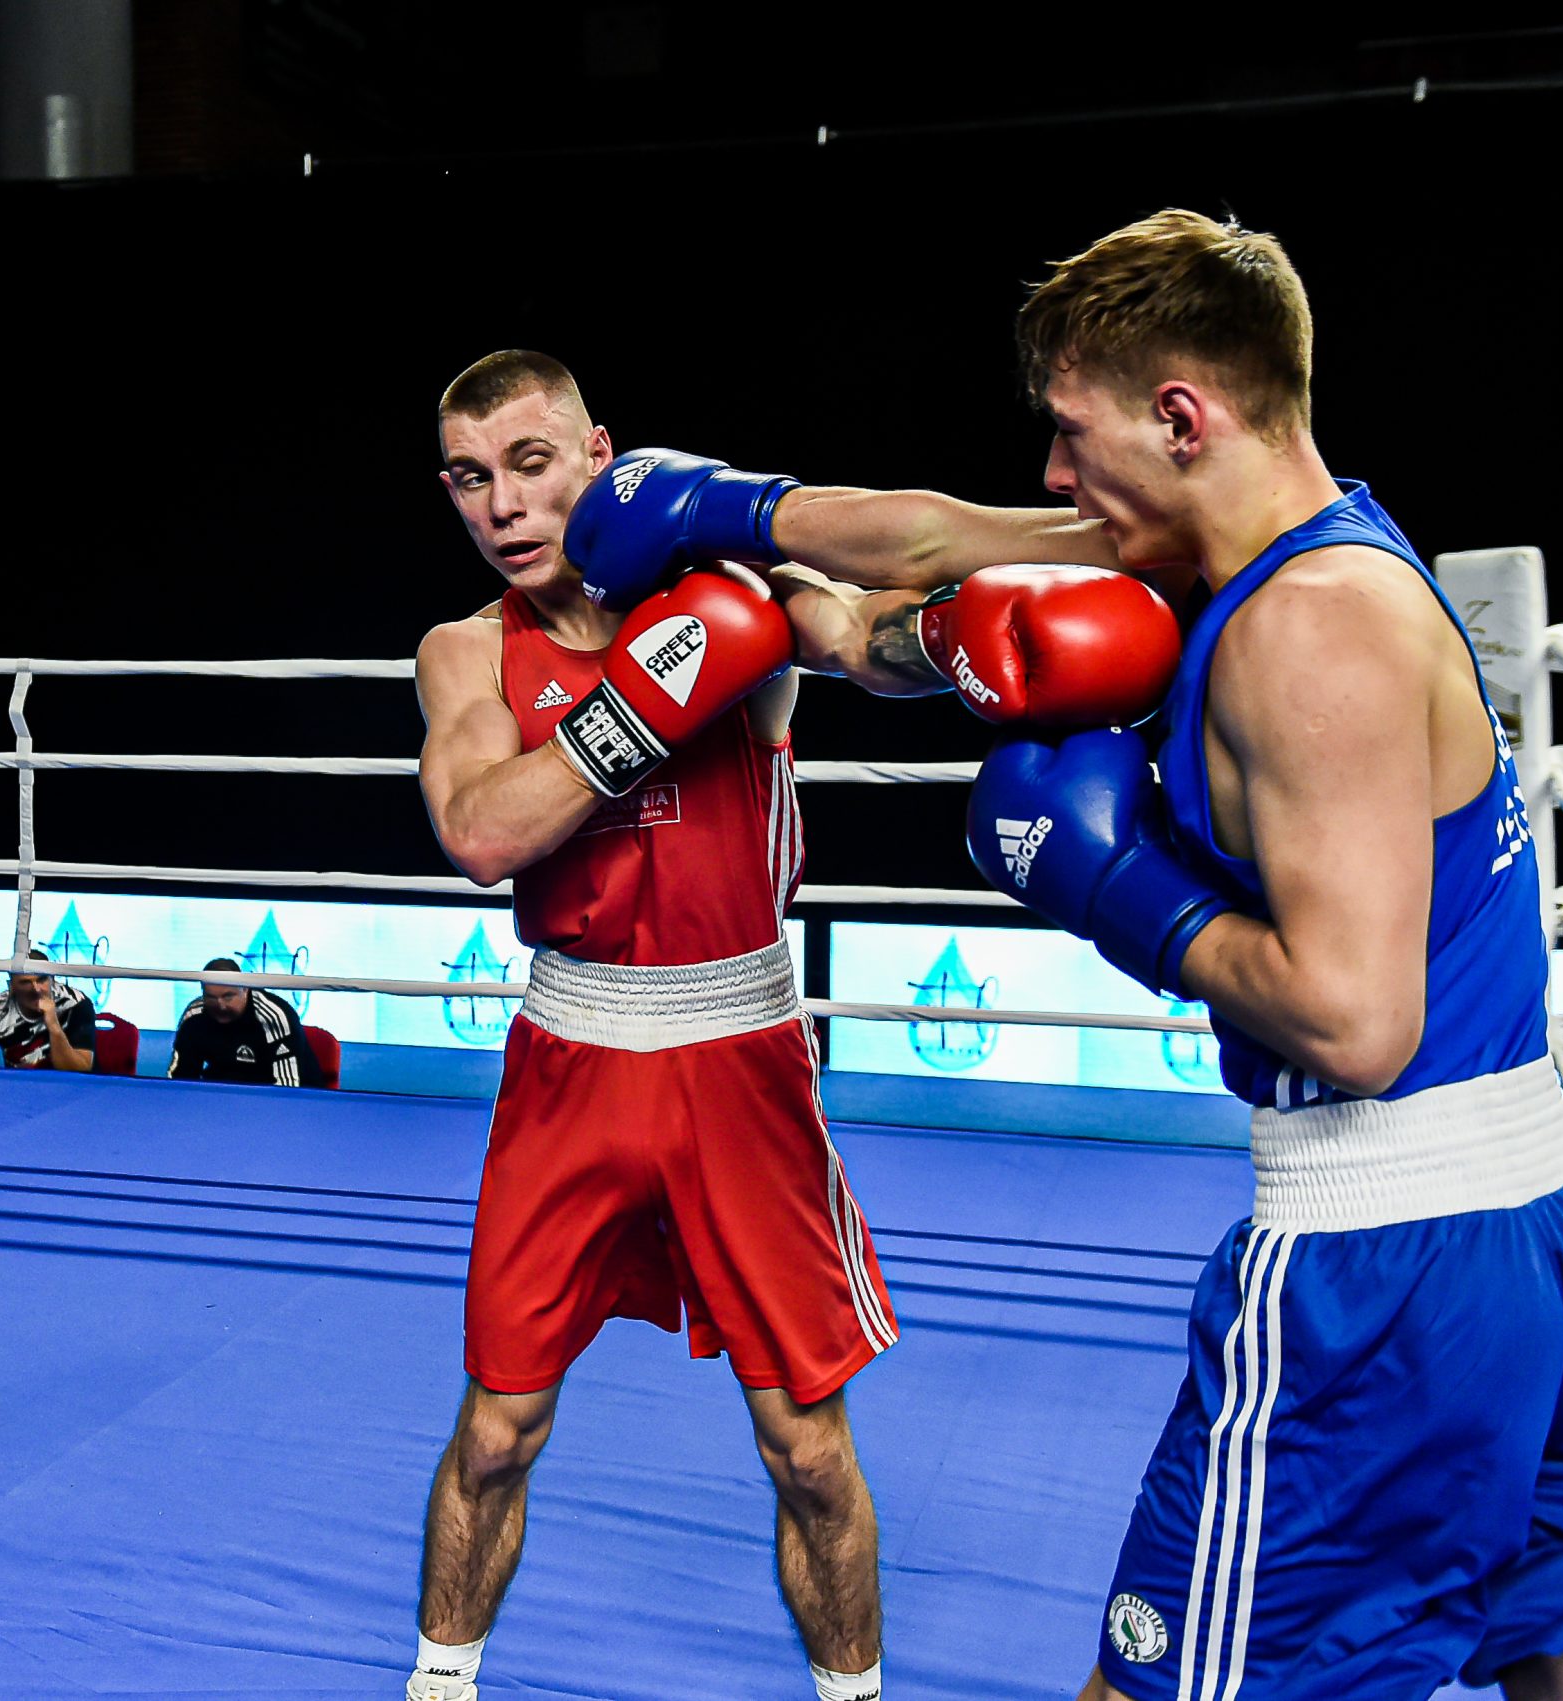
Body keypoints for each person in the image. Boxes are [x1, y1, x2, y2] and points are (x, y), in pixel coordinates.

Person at [964, 210, 1563, 1701]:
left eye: (1070, 430)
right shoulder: (1336, 560)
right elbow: (921, 544)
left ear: (1180, 417)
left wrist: (1121, 893)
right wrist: (751, 523)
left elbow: (1353, 1023)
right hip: (1551, 1217)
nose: (1052, 476)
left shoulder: (1303, 628)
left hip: (1387, 1264)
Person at [406, 348, 1156, 1701]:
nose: (502, 506)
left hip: (737, 1055)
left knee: (806, 1448)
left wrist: (959, 641)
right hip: (569, 1056)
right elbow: (478, 830)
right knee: (499, 1429)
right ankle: (437, 1684)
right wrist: (646, 703)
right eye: (469, 478)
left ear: (598, 457)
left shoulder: (732, 587)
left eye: (529, 463)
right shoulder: (463, 651)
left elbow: (868, 637)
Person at [168, 957, 320, 1086]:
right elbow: (179, 1080)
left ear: (245, 989)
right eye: (211, 997)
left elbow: (287, 1088)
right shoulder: (194, 1015)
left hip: (280, 1094)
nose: (221, 1005)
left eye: (228, 996)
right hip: (223, 1094)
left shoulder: (274, 1017)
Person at [0, 956, 96, 1071]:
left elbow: (80, 1071)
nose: (36, 989)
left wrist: (54, 1027)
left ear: (52, 980)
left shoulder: (76, 1004)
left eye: (42, 980)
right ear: (11, 986)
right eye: (25, 982)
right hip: (19, 1086)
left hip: (71, 1088)